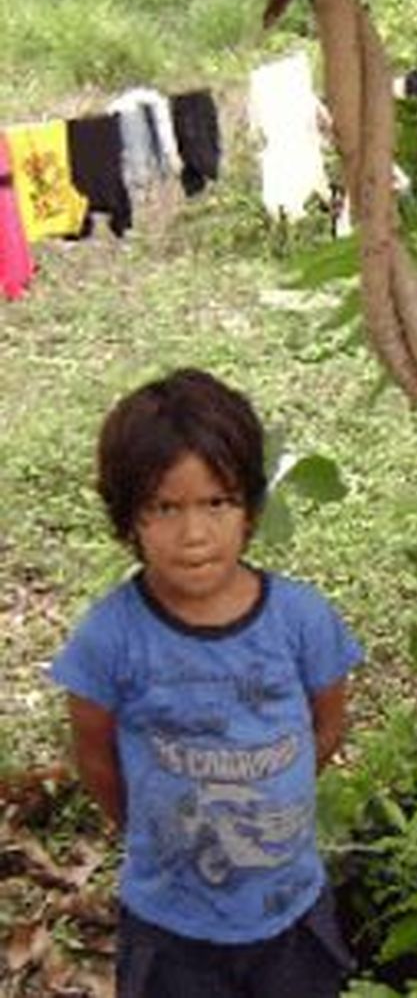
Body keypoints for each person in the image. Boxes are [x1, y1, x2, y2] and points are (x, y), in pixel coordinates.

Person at [51, 368, 362, 998]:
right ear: (128, 518)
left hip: (291, 912)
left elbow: (325, 727)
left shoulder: (302, 620)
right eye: (165, 508)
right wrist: (152, 831)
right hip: (171, 929)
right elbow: (95, 757)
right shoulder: (110, 639)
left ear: (250, 507)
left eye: (216, 503)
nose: (194, 535)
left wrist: (272, 795)